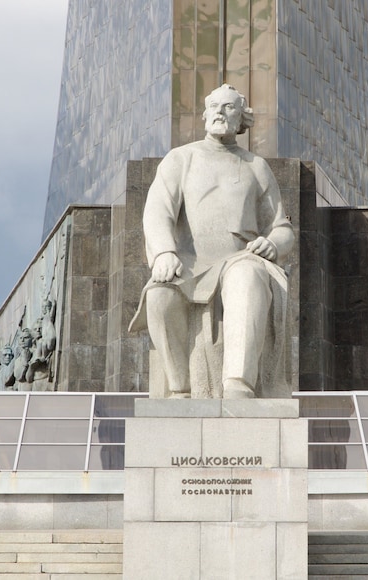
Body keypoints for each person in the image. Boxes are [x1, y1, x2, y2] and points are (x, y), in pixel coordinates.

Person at [130, 84, 295, 399]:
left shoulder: (256, 167)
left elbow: (282, 227)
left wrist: (273, 244)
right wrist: (163, 252)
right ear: (205, 115)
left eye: (229, 107)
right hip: (190, 264)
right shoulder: (181, 159)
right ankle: (180, 389)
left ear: (242, 119)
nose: (220, 112)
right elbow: (157, 211)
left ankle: (238, 385)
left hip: (239, 259)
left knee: (248, 276)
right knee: (159, 293)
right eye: (214, 106)